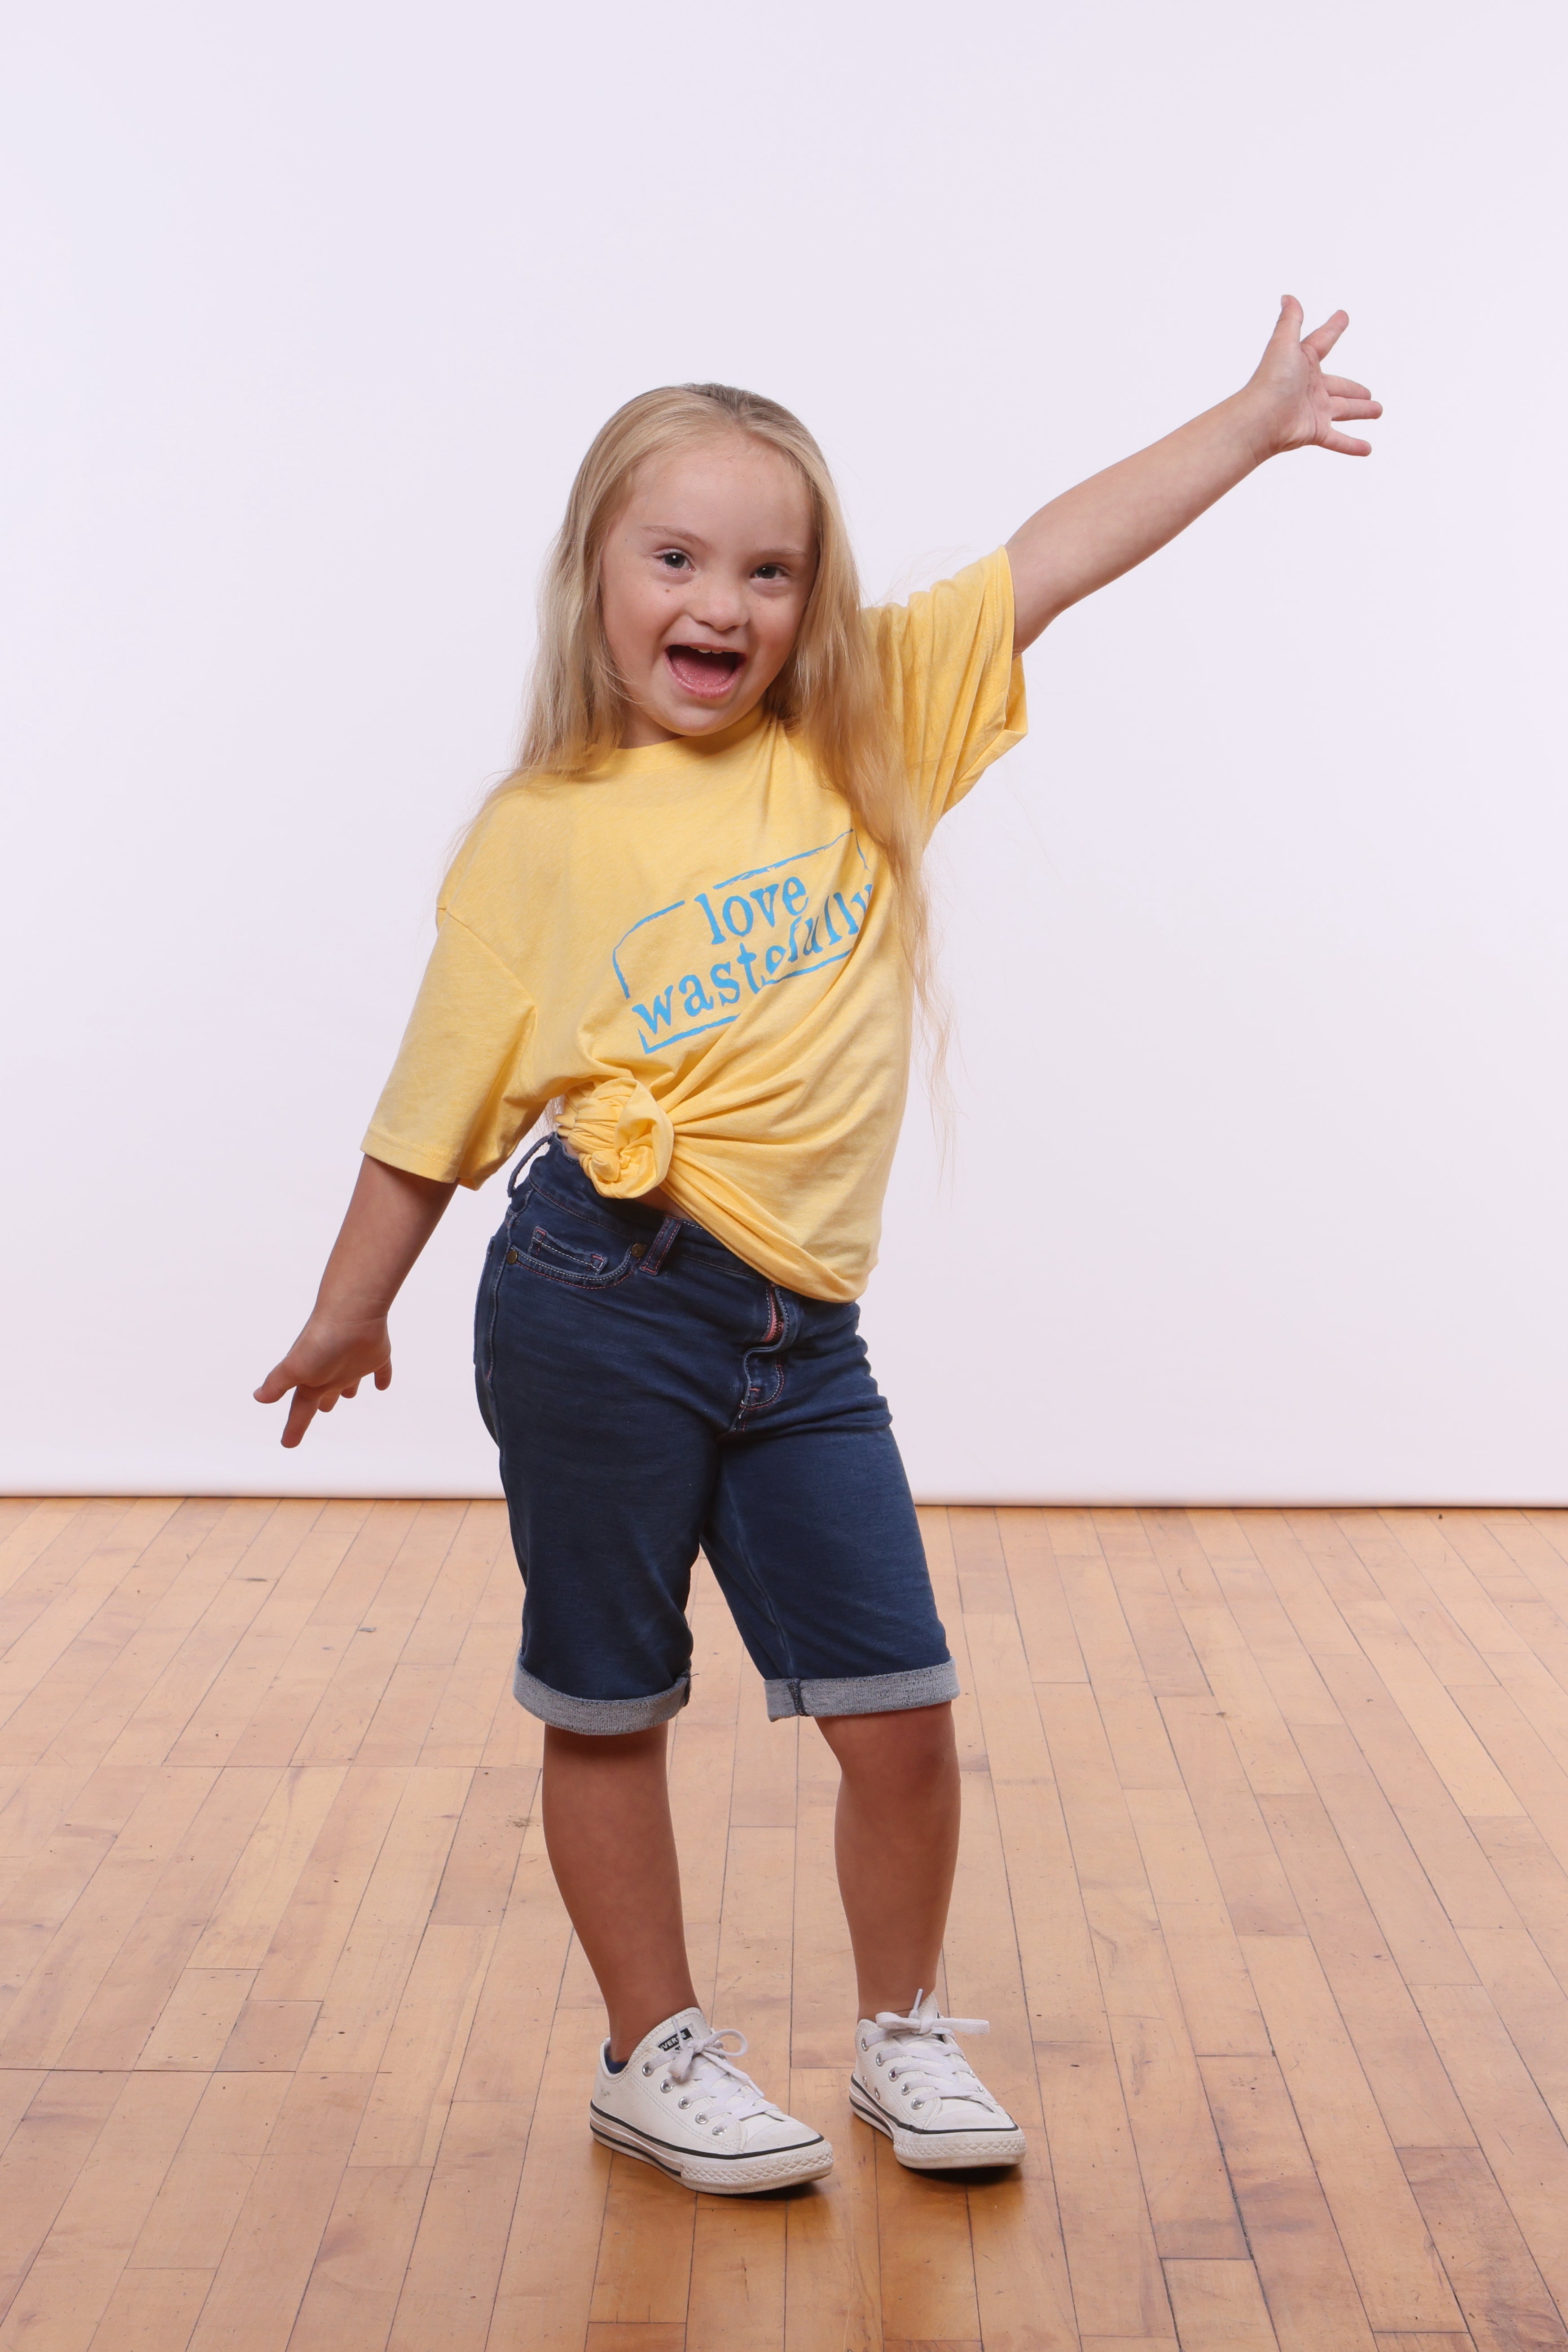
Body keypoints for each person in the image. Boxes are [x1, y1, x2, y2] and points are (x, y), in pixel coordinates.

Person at [256, 298, 1379, 2194]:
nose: (723, 601)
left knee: (902, 1711)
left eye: (768, 571)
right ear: (597, 575)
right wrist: (346, 1309)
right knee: (609, 1695)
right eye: (677, 559)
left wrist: (1250, 421)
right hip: (595, 1301)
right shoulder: (538, 834)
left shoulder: (867, 736)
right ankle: (653, 2051)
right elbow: (427, 1110)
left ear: (811, 599)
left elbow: (1052, 557)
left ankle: (902, 2032)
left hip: (803, 1339)